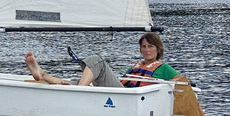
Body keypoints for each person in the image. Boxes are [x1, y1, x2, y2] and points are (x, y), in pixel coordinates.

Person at [24, 33, 179, 88]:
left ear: (158, 49)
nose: (146, 50)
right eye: (143, 46)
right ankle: (42, 74)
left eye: (150, 46)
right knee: (73, 82)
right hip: (121, 91)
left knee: (97, 60)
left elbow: (182, 81)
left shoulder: (163, 67)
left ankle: (80, 90)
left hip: (129, 96)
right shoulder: (136, 66)